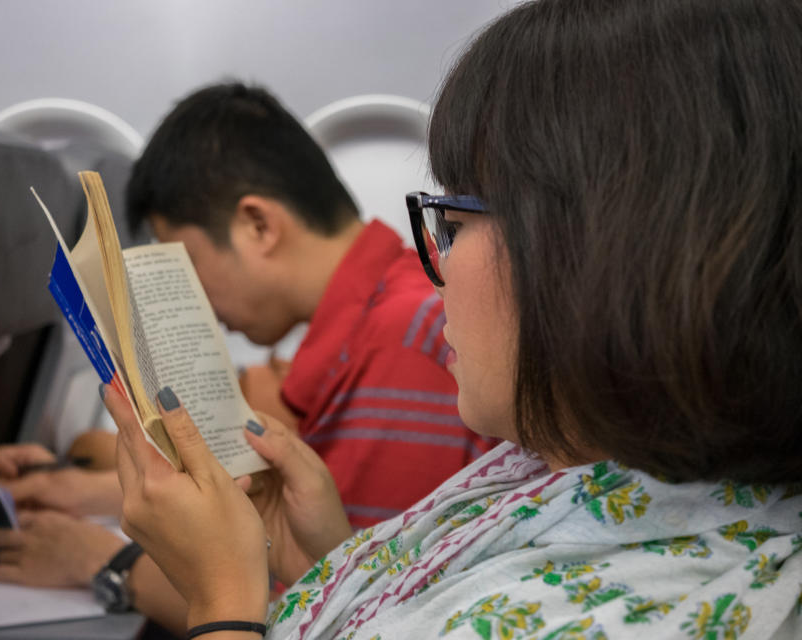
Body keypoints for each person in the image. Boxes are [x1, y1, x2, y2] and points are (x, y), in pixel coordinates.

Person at [106, 0, 802, 638]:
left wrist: (220, 597)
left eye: (458, 219)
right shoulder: (575, 468)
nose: (435, 265)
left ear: (594, 251)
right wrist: (335, 561)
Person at [0, 83, 493, 630]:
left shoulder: (406, 348)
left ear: (258, 226)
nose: (197, 295)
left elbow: (339, 623)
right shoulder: (381, 325)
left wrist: (108, 565)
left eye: (183, 257)